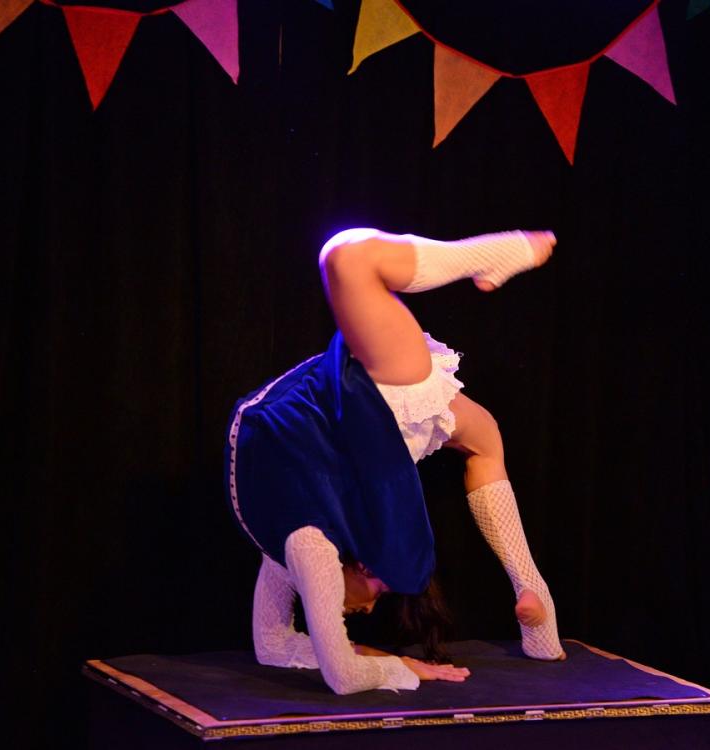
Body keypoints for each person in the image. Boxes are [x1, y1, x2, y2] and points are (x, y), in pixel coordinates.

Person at [224, 227, 566, 696]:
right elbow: (321, 662)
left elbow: (281, 648)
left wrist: (393, 665)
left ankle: (538, 616)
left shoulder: (299, 550)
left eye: (360, 610)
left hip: (339, 402)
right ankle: (537, 606)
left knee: (485, 440)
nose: (366, 609)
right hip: (361, 412)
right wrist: (400, 667)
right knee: (348, 256)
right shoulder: (310, 542)